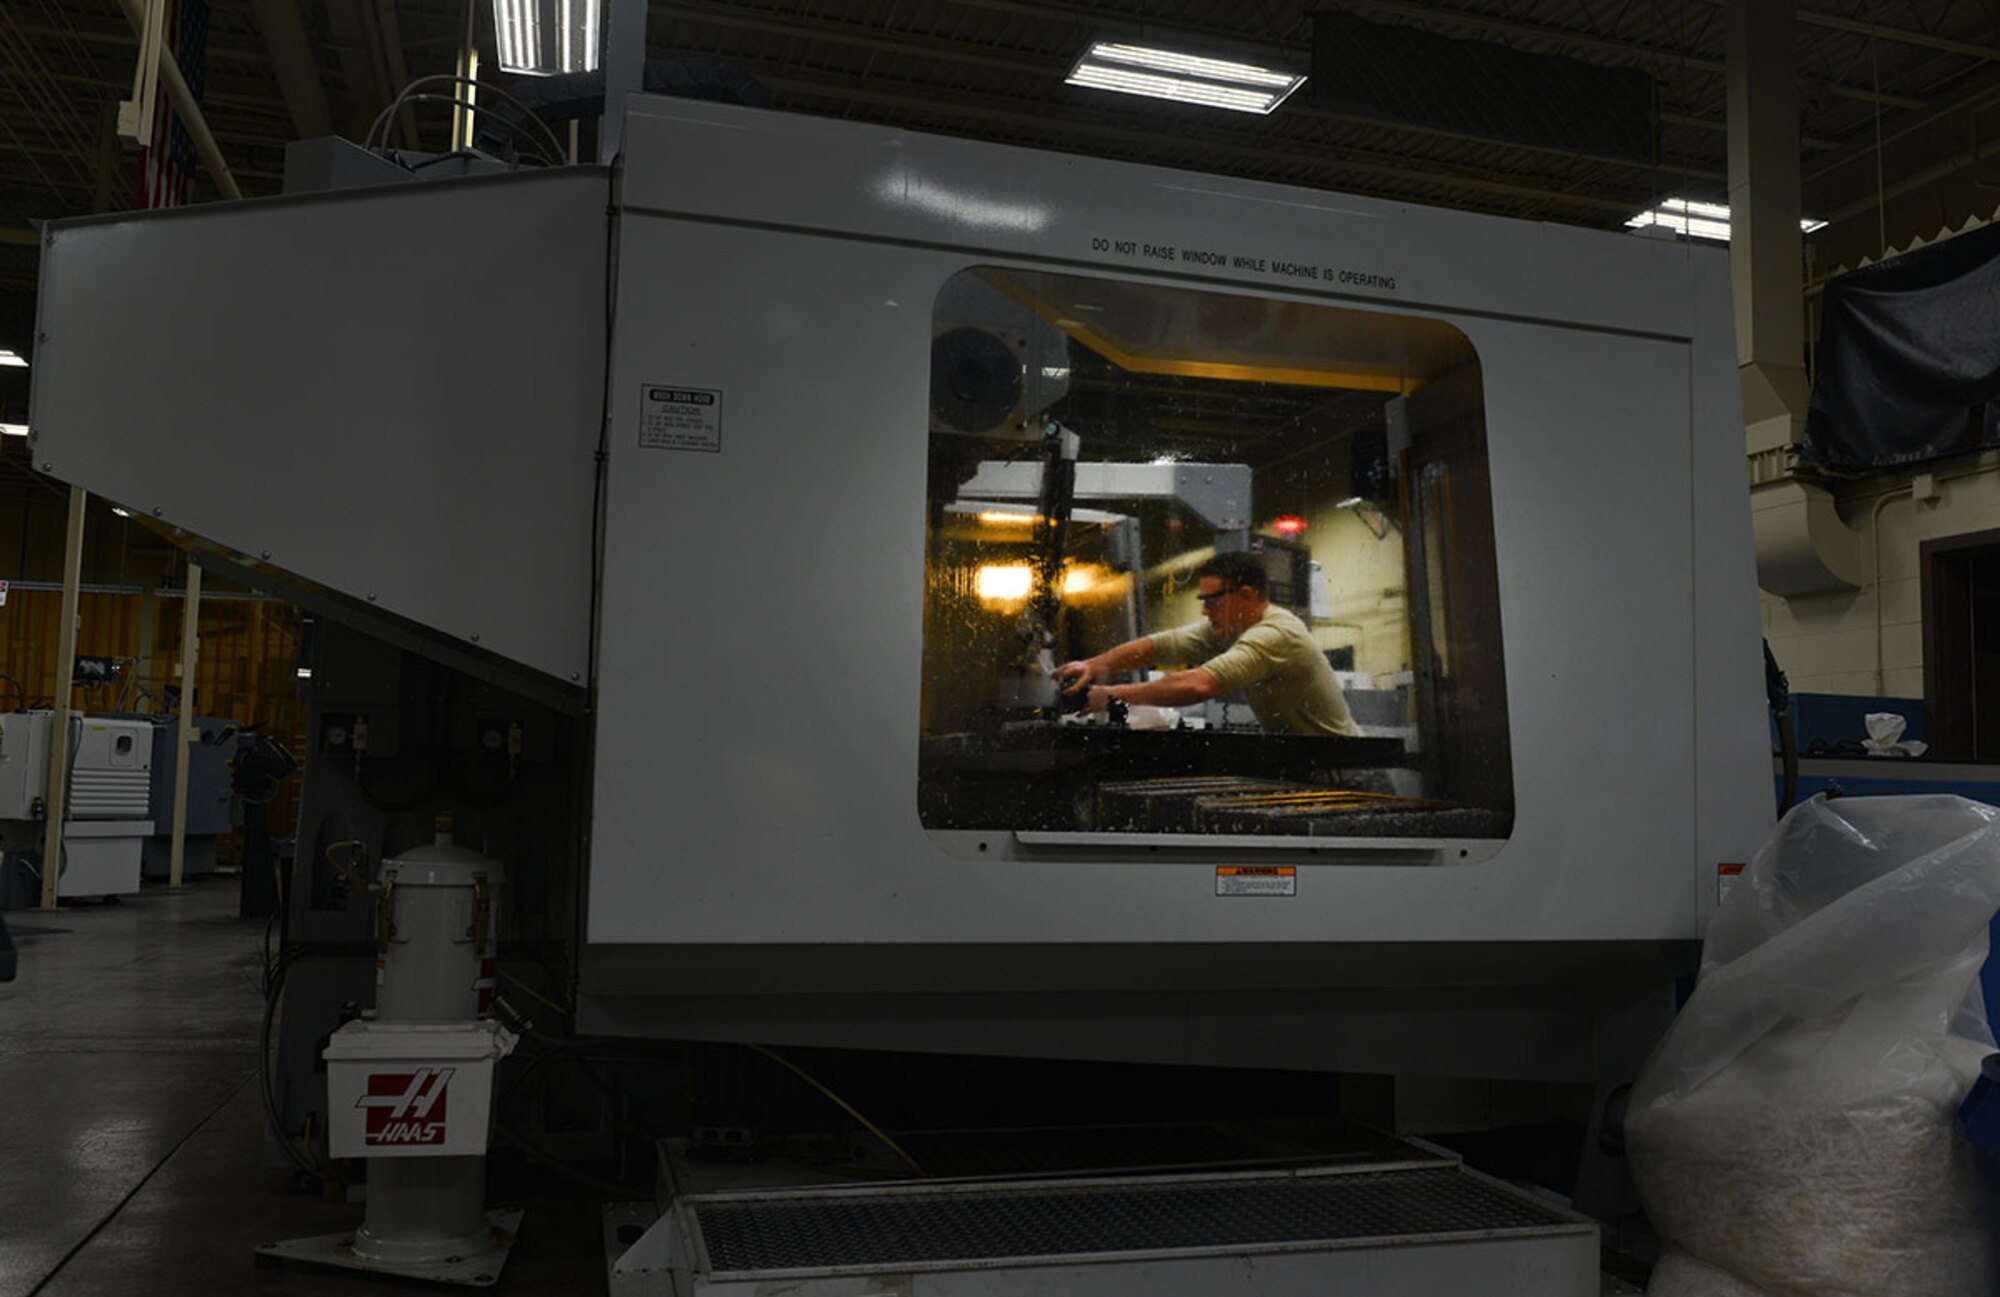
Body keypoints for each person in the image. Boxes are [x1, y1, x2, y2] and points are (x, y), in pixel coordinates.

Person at [1053, 551, 1361, 737]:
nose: (1204, 611)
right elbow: (1162, 645)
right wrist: (1093, 665)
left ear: (1246, 596)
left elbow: (1199, 686)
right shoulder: (1230, 627)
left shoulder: (1277, 633)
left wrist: (1114, 696)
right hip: (1309, 767)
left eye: (1212, 602)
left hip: (1347, 775)